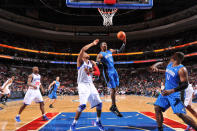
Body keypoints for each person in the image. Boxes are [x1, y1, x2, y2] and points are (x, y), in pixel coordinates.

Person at [150, 52, 197, 131]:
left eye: (173, 55)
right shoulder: (170, 64)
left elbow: (184, 85)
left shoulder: (182, 69)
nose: (171, 56)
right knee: (157, 108)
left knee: (180, 114)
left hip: (176, 93)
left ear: (176, 58)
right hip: (166, 92)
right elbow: (164, 66)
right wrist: (155, 66)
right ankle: (160, 128)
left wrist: (171, 91)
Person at [70, 39, 104, 131]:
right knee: (82, 105)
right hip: (82, 85)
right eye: (85, 53)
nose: (86, 53)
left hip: (90, 84)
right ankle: (73, 124)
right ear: (82, 56)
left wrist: (91, 70)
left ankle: (98, 121)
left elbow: (98, 72)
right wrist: (93, 44)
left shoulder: (92, 62)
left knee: (99, 104)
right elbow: (82, 49)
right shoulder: (80, 61)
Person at [96, 38, 126, 117]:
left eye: (106, 44)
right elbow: (97, 62)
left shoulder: (110, 51)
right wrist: (99, 63)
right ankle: (113, 106)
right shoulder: (100, 54)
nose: (105, 45)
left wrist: (124, 43)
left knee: (116, 88)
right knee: (112, 88)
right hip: (108, 72)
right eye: (103, 44)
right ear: (101, 47)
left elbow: (120, 51)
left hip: (114, 70)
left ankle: (113, 106)